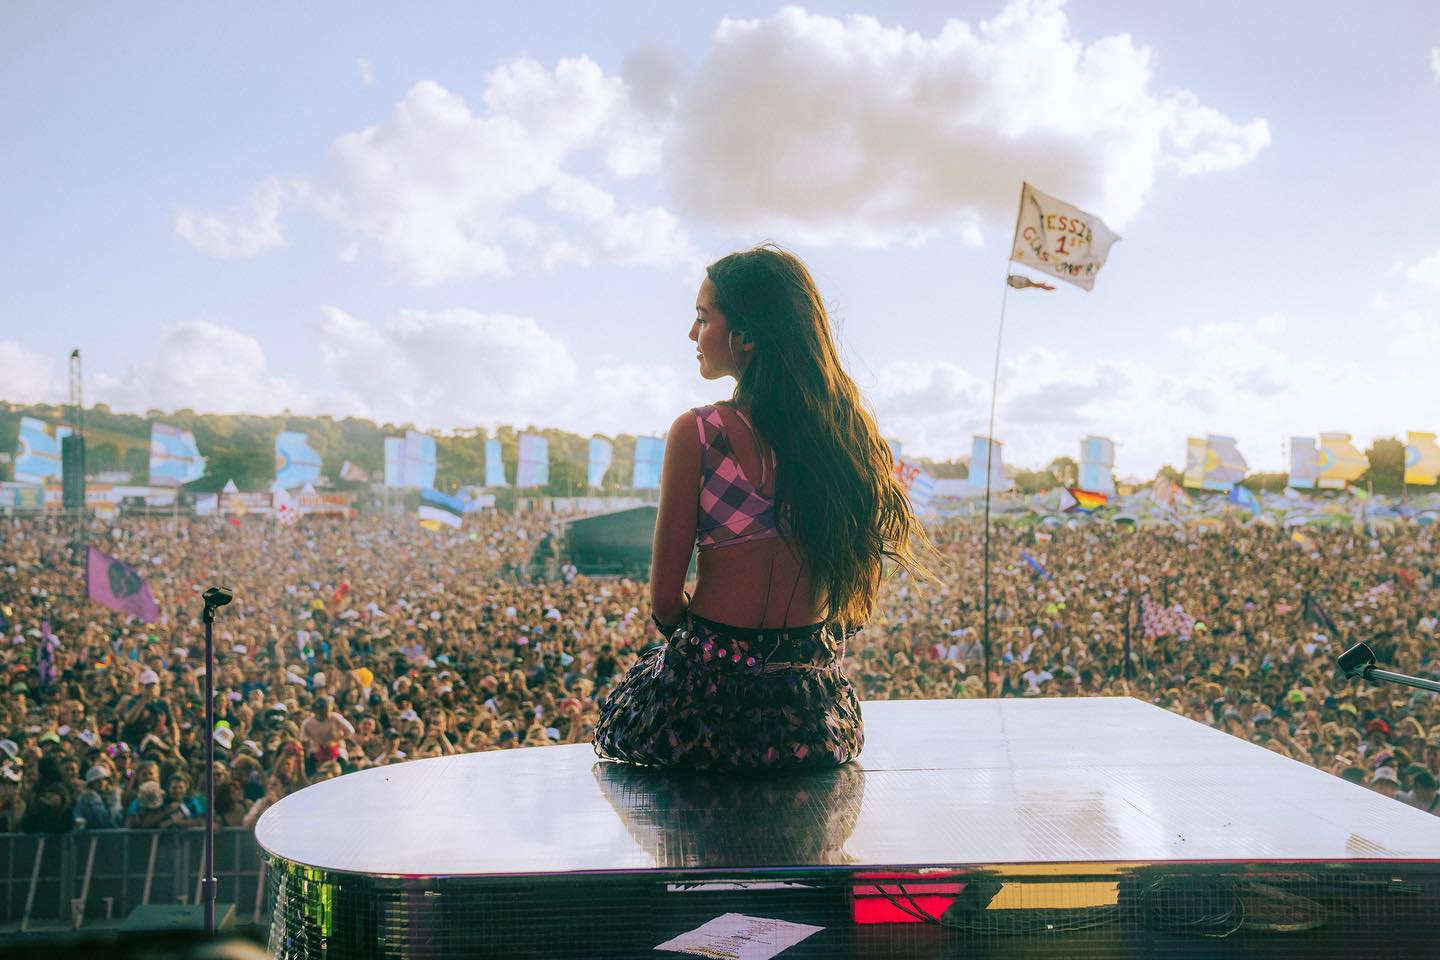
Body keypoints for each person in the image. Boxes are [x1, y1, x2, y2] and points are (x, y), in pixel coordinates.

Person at [594, 245, 934, 770]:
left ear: (746, 337)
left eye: (703, 318)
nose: (692, 334)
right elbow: (852, 604)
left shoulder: (699, 433)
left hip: (705, 705)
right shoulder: (843, 435)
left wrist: (719, 659)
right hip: (810, 715)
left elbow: (664, 600)